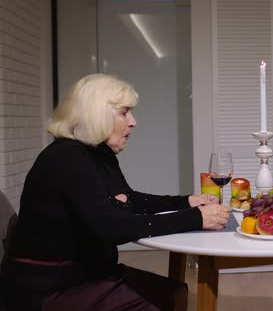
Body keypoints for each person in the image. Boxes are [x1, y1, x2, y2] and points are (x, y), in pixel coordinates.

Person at [0, 74, 230, 311]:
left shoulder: (100, 154)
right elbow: (113, 227)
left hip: (89, 272)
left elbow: (130, 200)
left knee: (174, 293)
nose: (133, 122)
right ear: (97, 114)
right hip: (50, 287)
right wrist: (196, 217)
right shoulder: (67, 158)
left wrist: (187, 202)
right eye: (124, 112)